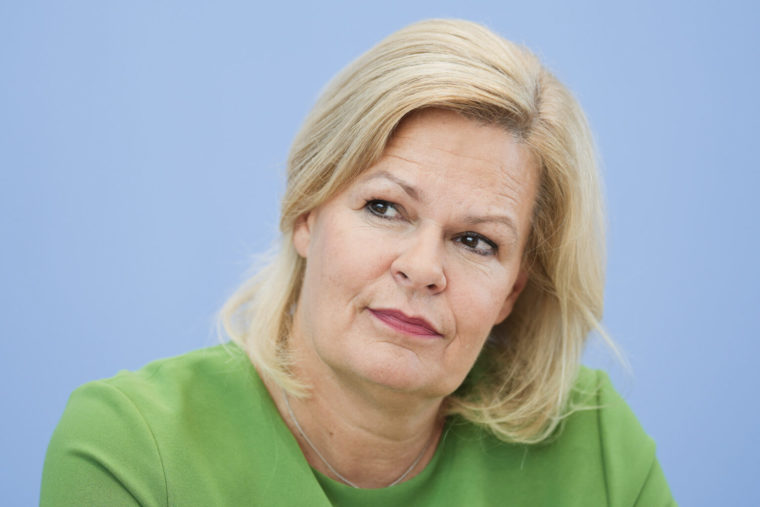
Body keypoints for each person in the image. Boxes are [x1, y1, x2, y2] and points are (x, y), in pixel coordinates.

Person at [41, 19, 675, 505]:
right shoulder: (132, 448)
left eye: (476, 241)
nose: (422, 268)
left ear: (513, 290)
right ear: (306, 213)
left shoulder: (594, 445)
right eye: (385, 208)